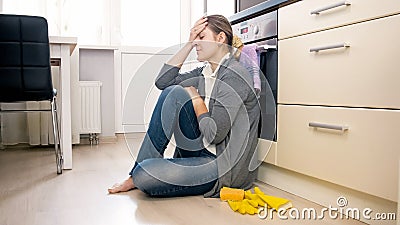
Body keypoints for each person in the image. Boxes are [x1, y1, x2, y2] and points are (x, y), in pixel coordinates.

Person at [108, 14, 260, 198]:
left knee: (145, 175)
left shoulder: (234, 75)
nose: (197, 43)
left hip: (223, 166)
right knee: (174, 92)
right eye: (195, 38)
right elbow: (164, 82)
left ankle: (140, 174)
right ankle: (135, 175)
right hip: (202, 150)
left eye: (201, 37)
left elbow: (215, 134)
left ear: (220, 38)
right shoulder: (205, 72)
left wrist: (196, 99)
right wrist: (188, 44)